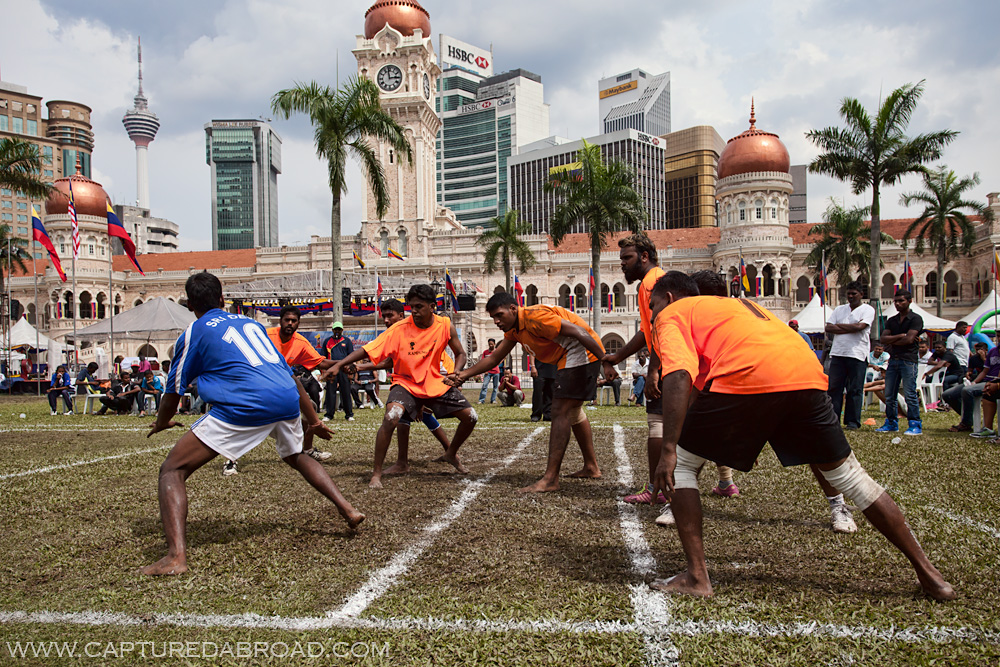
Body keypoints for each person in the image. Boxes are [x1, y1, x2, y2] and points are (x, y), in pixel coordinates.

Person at [644, 270, 955, 601]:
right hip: (806, 376)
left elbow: (678, 375)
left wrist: (669, 448)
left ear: (669, 298)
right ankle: (930, 575)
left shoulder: (673, 313)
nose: (652, 313)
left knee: (680, 467)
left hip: (749, 376)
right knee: (853, 478)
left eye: (653, 305)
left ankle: (697, 577)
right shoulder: (742, 307)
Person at [140, 271, 364, 576]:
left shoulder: (195, 331)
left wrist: (162, 421)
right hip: (285, 397)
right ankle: (348, 509)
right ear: (222, 299)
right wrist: (313, 420)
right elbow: (289, 375)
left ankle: (176, 557)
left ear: (191, 304)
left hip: (246, 402)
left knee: (172, 470)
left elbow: (174, 388)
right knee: (295, 455)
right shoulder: (253, 325)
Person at [449, 293, 611, 493]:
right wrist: (464, 374)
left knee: (559, 411)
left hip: (580, 353)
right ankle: (591, 466)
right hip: (568, 357)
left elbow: (579, 332)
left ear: (513, 309)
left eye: (499, 315)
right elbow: (493, 359)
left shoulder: (535, 317)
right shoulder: (515, 330)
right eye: (493, 318)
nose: (497, 321)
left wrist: (605, 361)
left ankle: (551, 479)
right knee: (573, 412)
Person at [328, 285, 474, 489]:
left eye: (419, 306)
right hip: (405, 383)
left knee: (471, 416)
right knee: (391, 417)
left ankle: (450, 453)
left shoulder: (445, 325)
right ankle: (377, 474)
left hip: (433, 382)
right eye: (411, 306)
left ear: (432, 306)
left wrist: (456, 372)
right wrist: (339, 364)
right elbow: (367, 350)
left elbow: (461, 353)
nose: (413, 311)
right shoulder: (398, 329)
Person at [600, 233, 669, 505]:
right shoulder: (649, 284)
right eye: (621, 259)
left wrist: (653, 370)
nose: (623, 264)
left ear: (644, 256)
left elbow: (659, 330)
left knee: (658, 426)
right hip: (668, 361)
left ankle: (656, 489)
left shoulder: (652, 283)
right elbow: (646, 331)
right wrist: (617, 357)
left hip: (668, 362)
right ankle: (725, 481)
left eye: (627, 258)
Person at [355, 298, 452, 471]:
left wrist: (420, 399)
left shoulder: (413, 330)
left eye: (389, 316)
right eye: (383, 316)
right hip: (411, 382)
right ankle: (403, 461)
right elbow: (389, 362)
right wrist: (359, 366)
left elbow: (422, 363)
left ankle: (451, 453)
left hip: (433, 379)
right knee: (402, 416)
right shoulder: (395, 333)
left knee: (422, 415)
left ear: (401, 315)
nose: (386, 320)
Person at [267, 305, 340, 464]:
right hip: (260, 386)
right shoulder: (265, 335)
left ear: (298, 323)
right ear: (280, 321)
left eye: (294, 321)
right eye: (287, 320)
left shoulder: (300, 343)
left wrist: (342, 364)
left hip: (282, 388)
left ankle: (307, 449)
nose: (290, 323)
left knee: (311, 407)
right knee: (240, 418)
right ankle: (231, 459)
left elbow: (321, 362)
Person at [825, 281, 876, 431]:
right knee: (834, 388)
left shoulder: (867, 310)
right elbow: (828, 327)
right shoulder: (840, 309)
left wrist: (840, 327)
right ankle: (834, 420)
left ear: (861, 294)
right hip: (838, 353)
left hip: (857, 354)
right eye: (849, 293)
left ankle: (852, 422)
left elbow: (860, 327)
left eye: (854, 293)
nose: (851, 296)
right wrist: (852, 328)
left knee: (854, 389)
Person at [878, 290, 924, 435]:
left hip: (908, 360)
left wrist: (894, 340)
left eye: (901, 301)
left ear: (909, 301)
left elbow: (909, 340)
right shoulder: (892, 320)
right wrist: (900, 336)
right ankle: (891, 423)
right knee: (890, 394)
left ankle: (915, 424)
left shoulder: (916, 319)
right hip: (894, 360)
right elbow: (883, 339)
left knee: (910, 393)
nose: (897, 304)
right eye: (895, 301)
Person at [943, 342, 990, 434]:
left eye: (981, 349)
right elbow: (970, 370)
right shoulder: (973, 359)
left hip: (987, 382)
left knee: (967, 391)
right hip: (975, 381)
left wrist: (984, 359)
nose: (979, 351)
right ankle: (968, 416)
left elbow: (989, 371)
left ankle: (966, 423)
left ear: (986, 350)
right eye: (977, 350)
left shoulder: (990, 357)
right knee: (947, 394)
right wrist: (968, 374)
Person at [323, 322, 355, 422]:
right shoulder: (327, 341)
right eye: (335, 329)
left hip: (344, 370)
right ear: (332, 330)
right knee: (330, 392)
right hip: (332, 369)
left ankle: (349, 414)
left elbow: (351, 356)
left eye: (339, 329)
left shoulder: (347, 341)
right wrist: (324, 371)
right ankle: (329, 414)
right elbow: (323, 357)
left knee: (345, 391)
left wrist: (350, 370)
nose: (337, 331)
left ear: (342, 330)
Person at [530, 356, 555, 422]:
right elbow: (532, 352)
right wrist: (532, 366)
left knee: (550, 393)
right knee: (538, 392)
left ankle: (548, 415)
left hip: (553, 367)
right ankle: (536, 415)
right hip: (539, 368)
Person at [478, 339, 501, 404]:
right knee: (484, 386)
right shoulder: (485, 352)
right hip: (488, 372)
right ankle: (481, 400)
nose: (490, 345)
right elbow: (483, 361)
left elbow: (502, 358)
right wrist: (485, 369)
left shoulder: (497, 351)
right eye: (489, 344)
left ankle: (493, 400)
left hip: (496, 372)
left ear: (494, 344)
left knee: (495, 387)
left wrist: (498, 364)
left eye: (492, 344)